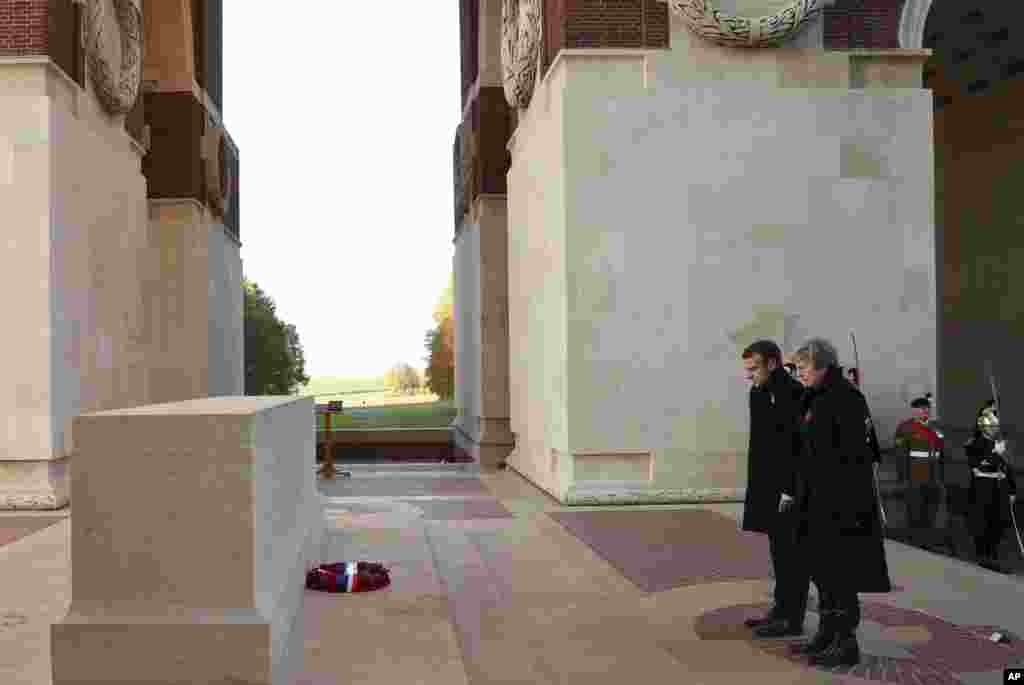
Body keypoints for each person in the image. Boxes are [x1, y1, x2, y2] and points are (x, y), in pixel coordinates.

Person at [788, 338, 891, 667]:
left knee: (840, 573)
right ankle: (827, 633)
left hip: (841, 504)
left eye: (803, 367)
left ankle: (845, 642)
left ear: (822, 366)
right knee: (821, 571)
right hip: (814, 501)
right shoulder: (813, 397)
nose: (799, 373)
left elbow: (864, 451)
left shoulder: (847, 398)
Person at [739, 340, 809, 638]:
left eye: (753, 368)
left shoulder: (792, 393)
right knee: (779, 552)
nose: (749, 375)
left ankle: (792, 618)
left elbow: (796, 446)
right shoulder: (759, 393)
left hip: (787, 490)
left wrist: (789, 489)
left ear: (772, 364)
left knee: (792, 554)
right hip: (768, 486)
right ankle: (780, 611)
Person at [965, 400, 1018, 572]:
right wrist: (995, 452)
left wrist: (1012, 489)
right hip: (983, 488)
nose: (994, 420)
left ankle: (993, 554)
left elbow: (1007, 467)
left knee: (999, 523)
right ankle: (984, 556)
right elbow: (979, 465)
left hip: (999, 488)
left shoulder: (999, 443)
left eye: (995, 415)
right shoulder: (975, 443)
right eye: (990, 414)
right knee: (983, 523)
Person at [894, 394, 945, 532]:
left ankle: (928, 534)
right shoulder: (905, 428)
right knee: (915, 508)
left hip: (934, 475)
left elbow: (943, 451)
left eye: (927, 409)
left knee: (932, 507)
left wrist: (943, 475)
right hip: (915, 474)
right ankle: (915, 536)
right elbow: (900, 454)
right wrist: (902, 476)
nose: (925, 411)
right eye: (921, 409)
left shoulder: (936, 427)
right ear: (914, 411)